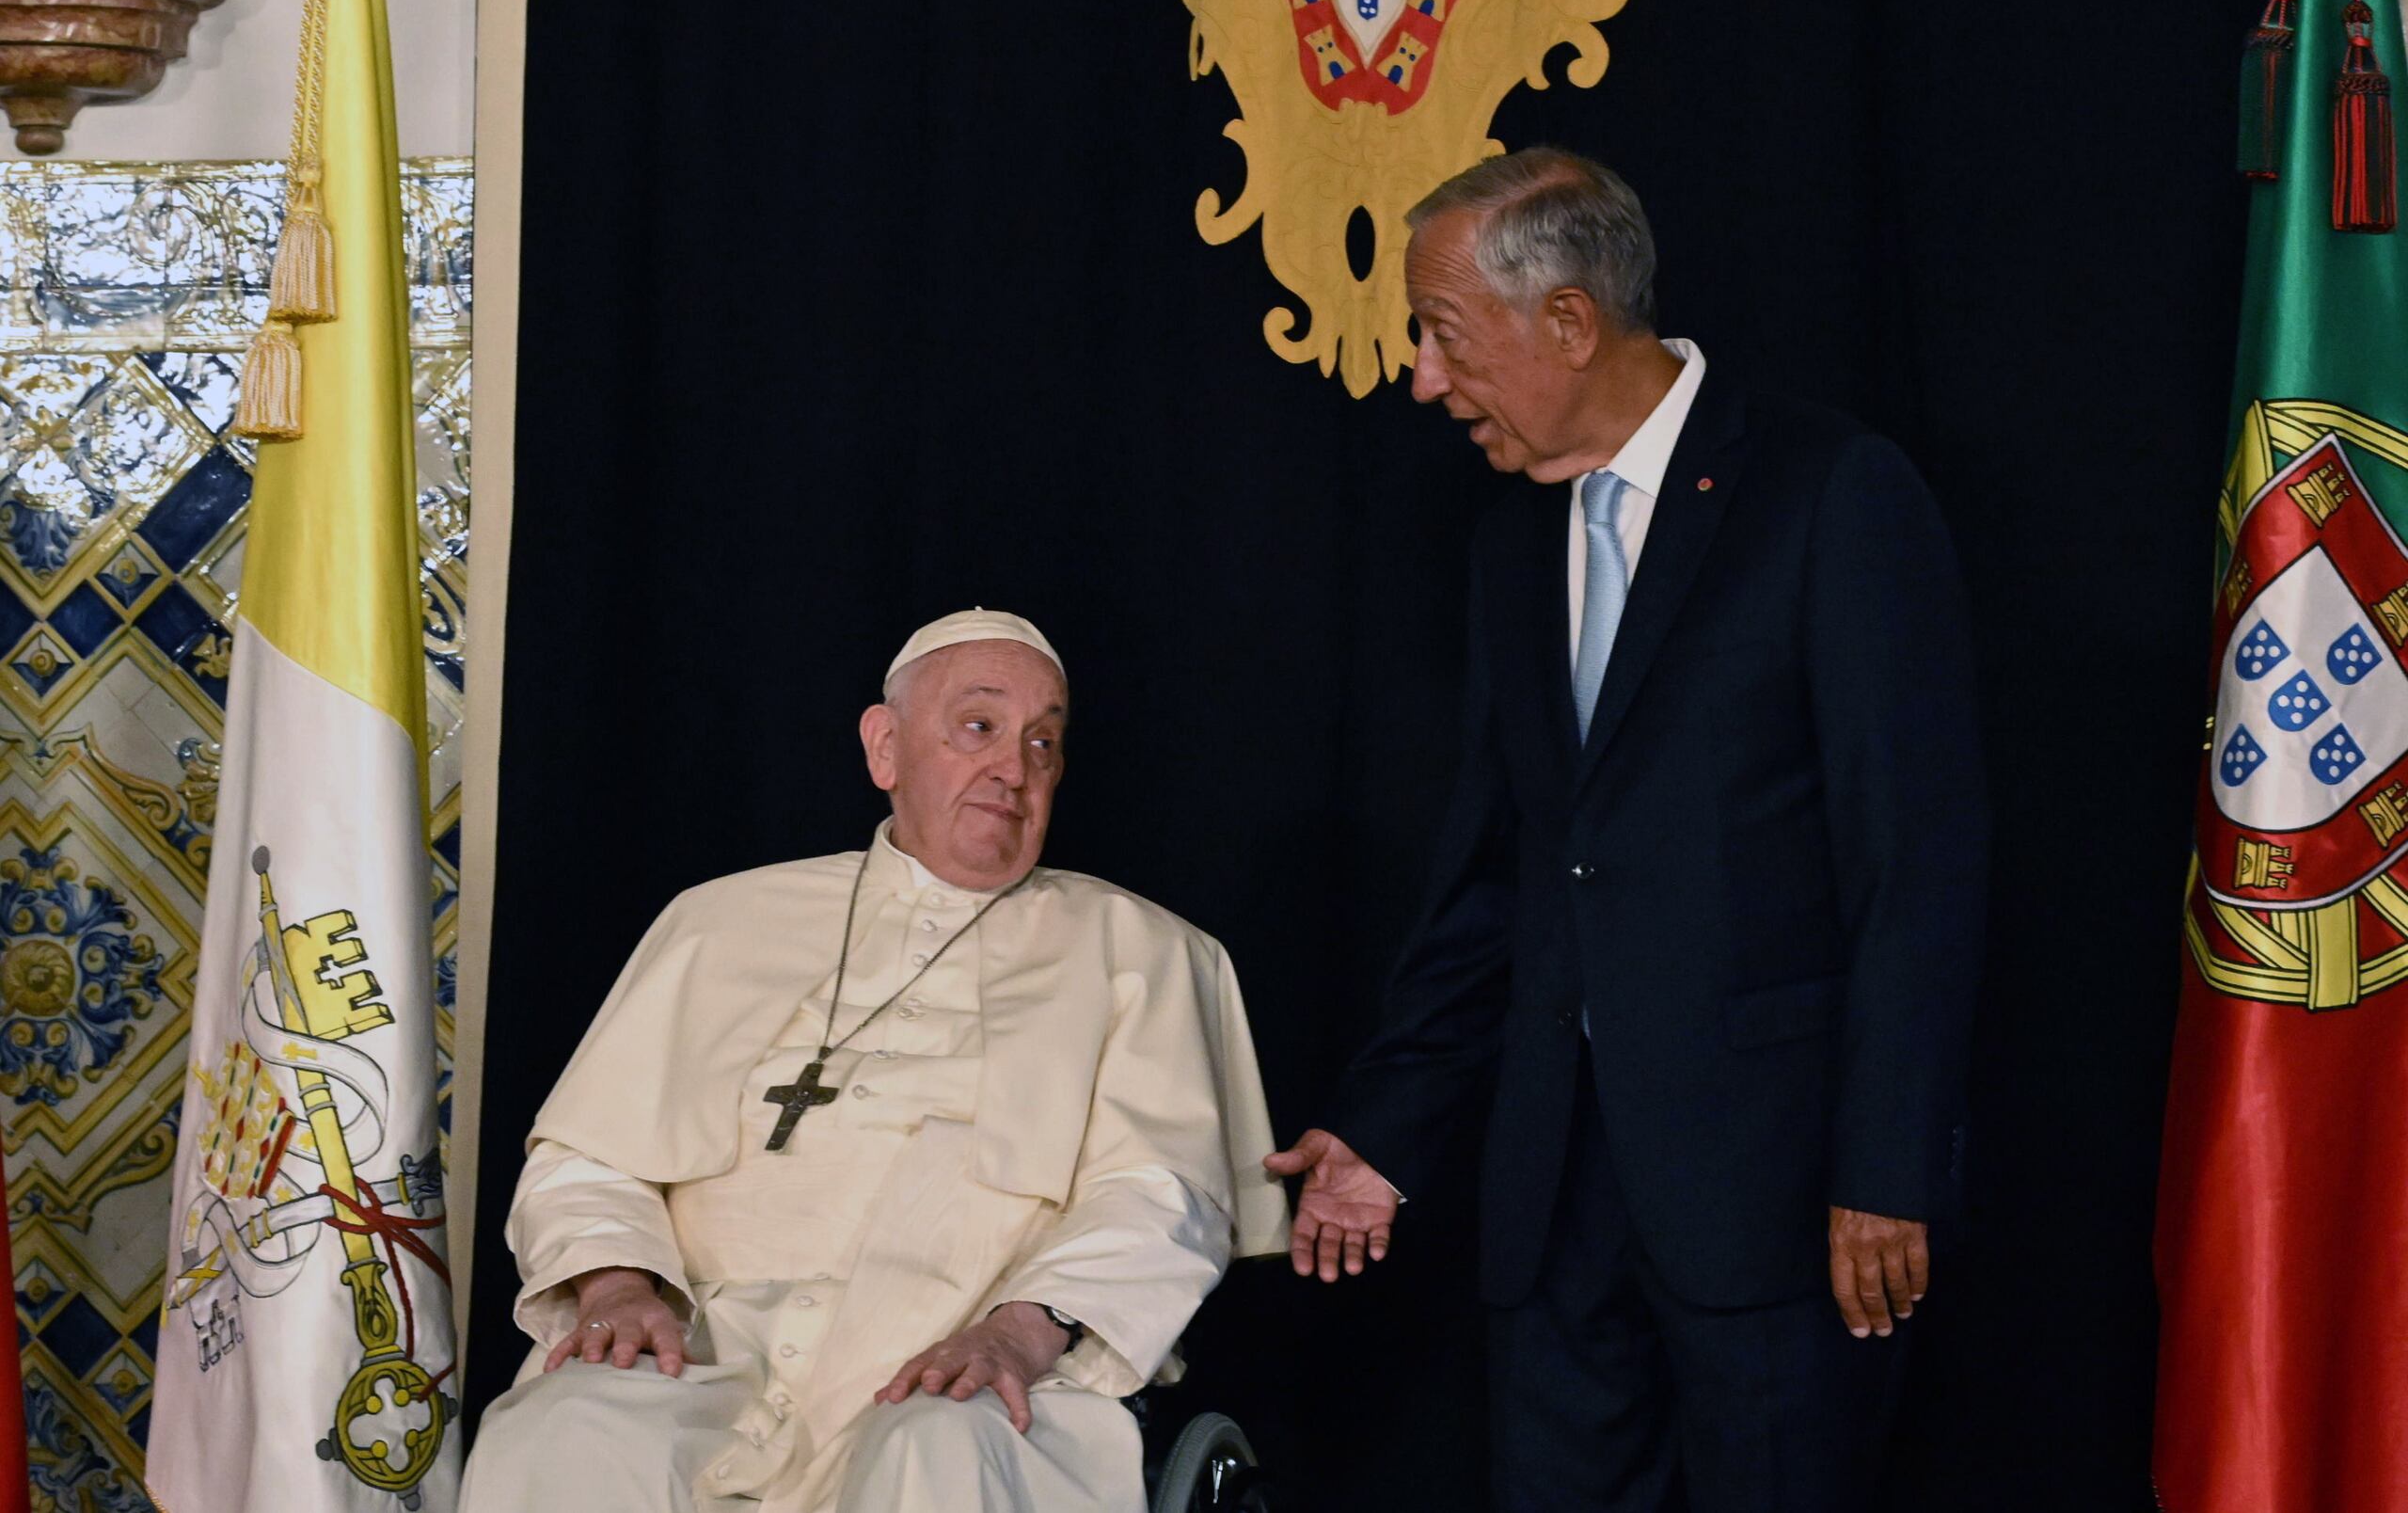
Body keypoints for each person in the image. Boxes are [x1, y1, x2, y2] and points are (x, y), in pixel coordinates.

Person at [1265, 150, 1988, 1511]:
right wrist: (1387, 1123)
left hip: (1780, 1201)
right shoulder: (1511, 545)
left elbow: (1917, 865)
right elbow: (1506, 872)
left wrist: (1886, 1167)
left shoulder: (1830, 492)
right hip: (1556, 1206)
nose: (1423, 378)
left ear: (1569, 323)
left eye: (1444, 335)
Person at [462, 609, 1286, 1513]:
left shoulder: (1146, 949)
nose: (1014, 769)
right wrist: (617, 1283)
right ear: (885, 746)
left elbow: (1165, 1195)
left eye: (1044, 742)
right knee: (566, 1427)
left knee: (936, 1447)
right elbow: (588, 1156)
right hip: (706, 1353)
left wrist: (1019, 1333)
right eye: (979, 727)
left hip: (975, 1366)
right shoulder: (719, 921)